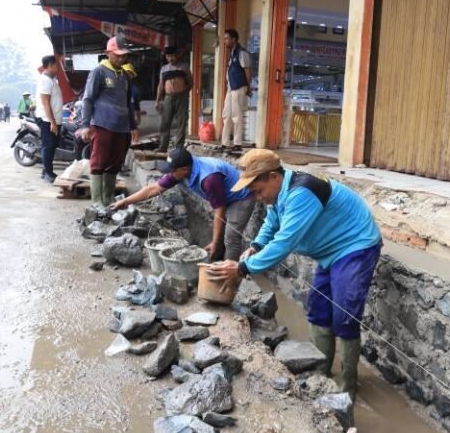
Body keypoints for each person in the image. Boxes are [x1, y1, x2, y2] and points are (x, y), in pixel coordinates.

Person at [209, 149, 382, 399]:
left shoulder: (303, 192)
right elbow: (272, 224)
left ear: (273, 177)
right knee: (319, 310)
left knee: (345, 315)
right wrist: (256, 246)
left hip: (354, 245)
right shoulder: (279, 194)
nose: (256, 197)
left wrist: (242, 268)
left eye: (258, 190)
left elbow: (284, 242)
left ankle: (347, 388)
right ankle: (320, 374)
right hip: (330, 252)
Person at [112, 148, 256, 262]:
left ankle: (229, 274)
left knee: (230, 237)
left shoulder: (209, 178)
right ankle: (217, 260)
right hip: (223, 196)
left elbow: (219, 210)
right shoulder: (181, 171)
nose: (170, 174)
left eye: (172, 171)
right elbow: (154, 188)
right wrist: (126, 201)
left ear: (184, 170)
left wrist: (215, 242)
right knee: (220, 234)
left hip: (241, 197)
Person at [80, 36, 137, 206]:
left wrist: (133, 126)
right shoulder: (98, 72)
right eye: (118, 55)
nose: (121, 58)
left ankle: (109, 199)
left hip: (122, 128)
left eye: (123, 55)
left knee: (115, 163)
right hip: (102, 125)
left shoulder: (125, 76)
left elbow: (129, 102)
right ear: (108, 53)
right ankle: (97, 202)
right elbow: (88, 99)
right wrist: (85, 125)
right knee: (99, 162)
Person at [155, 46, 191, 152]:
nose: (170, 58)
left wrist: (183, 91)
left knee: (181, 122)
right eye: (168, 56)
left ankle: (179, 148)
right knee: (165, 122)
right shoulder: (164, 69)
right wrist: (157, 100)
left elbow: (190, 83)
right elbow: (160, 85)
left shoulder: (184, 67)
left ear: (176, 56)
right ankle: (162, 147)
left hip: (182, 97)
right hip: (168, 98)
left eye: (172, 56)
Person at [34, 55, 63, 183]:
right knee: (48, 146)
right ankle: (48, 173)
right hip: (47, 120)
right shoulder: (45, 80)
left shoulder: (52, 80)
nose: (57, 68)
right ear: (50, 66)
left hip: (54, 119)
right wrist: (52, 122)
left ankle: (46, 171)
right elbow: (46, 103)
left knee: (52, 145)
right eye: (56, 65)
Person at [222, 29, 252, 151]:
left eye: (227, 38)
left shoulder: (241, 53)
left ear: (234, 39)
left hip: (239, 86)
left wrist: (248, 87)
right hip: (231, 87)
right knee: (226, 114)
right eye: (224, 39)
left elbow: (247, 70)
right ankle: (225, 143)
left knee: (237, 115)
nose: (225, 41)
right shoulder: (232, 53)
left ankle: (237, 143)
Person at [121, 62, 141, 174]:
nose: (128, 76)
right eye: (126, 73)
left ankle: (121, 164)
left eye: (130, 74)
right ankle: (116, 166)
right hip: (117, 120)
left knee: (126, 143)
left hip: (128, 120)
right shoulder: (116, 88)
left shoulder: (134, 90)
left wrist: (137, 120)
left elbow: (136, 106)